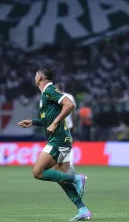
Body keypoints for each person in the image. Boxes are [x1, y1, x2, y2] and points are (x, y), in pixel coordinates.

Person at [18, 67, 92, 221]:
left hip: (58, 140)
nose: (34, 76)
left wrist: (55, 122)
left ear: (40, 77)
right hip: (62, 139)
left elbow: (70, 104)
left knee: (37, 172)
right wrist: (33, 122)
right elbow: (47, 120)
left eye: (36, 74)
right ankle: (83, 210)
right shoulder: (46, 94)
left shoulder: (49, 90)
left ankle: (77, 179)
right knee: (60, 177)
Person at [55, 83, 77, 175]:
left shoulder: (55, 97)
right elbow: (73, 112)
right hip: (69, 125)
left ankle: (64, 164)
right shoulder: (70, 97)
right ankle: (69, 164)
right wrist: (74, 124)